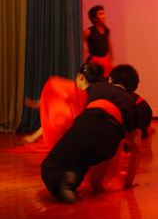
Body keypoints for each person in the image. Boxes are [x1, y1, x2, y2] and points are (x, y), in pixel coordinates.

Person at [41, 64, 143, 203]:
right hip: (110, 143)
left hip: (89, 124)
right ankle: (70, 182)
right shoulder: (133, 105)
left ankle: (62, 184)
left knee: (52, 162)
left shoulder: (97, 88)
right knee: (81, 162)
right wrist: (129, 182)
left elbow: (70, 103)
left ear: (110, 79)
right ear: (132, 90)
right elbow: (136, 149)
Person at [82, 5, 113, 78]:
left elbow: (109, 44)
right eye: (101, 14)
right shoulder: (88, 31)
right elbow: (80, 46)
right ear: (94, 18)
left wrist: (112, 60)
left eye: (103, 14)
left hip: (105, 60)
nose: (104, 16)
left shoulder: (107, 29)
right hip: (94, 62)